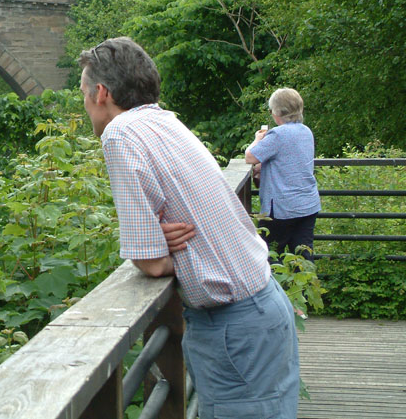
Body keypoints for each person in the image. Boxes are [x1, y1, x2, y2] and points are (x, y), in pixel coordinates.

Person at [79, 36, 299, 419]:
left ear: (101, 93)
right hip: (262, 311)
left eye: (82, 93)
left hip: (235, 331)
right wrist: (154, 243)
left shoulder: (120, 133)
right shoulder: (165, 120)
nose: (83, 105)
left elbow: (150, 262)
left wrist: (154, 248)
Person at [245, 88, 321, 262]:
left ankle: (277, 289)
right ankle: (303, 289)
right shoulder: (306, 131)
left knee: (271, 257)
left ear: (278, 112)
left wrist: (257, 139)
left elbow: (250, 157)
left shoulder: (278, 134)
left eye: (271, 110)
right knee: (303, 259)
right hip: (308, 205)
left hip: (281, 209)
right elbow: (288, 160)